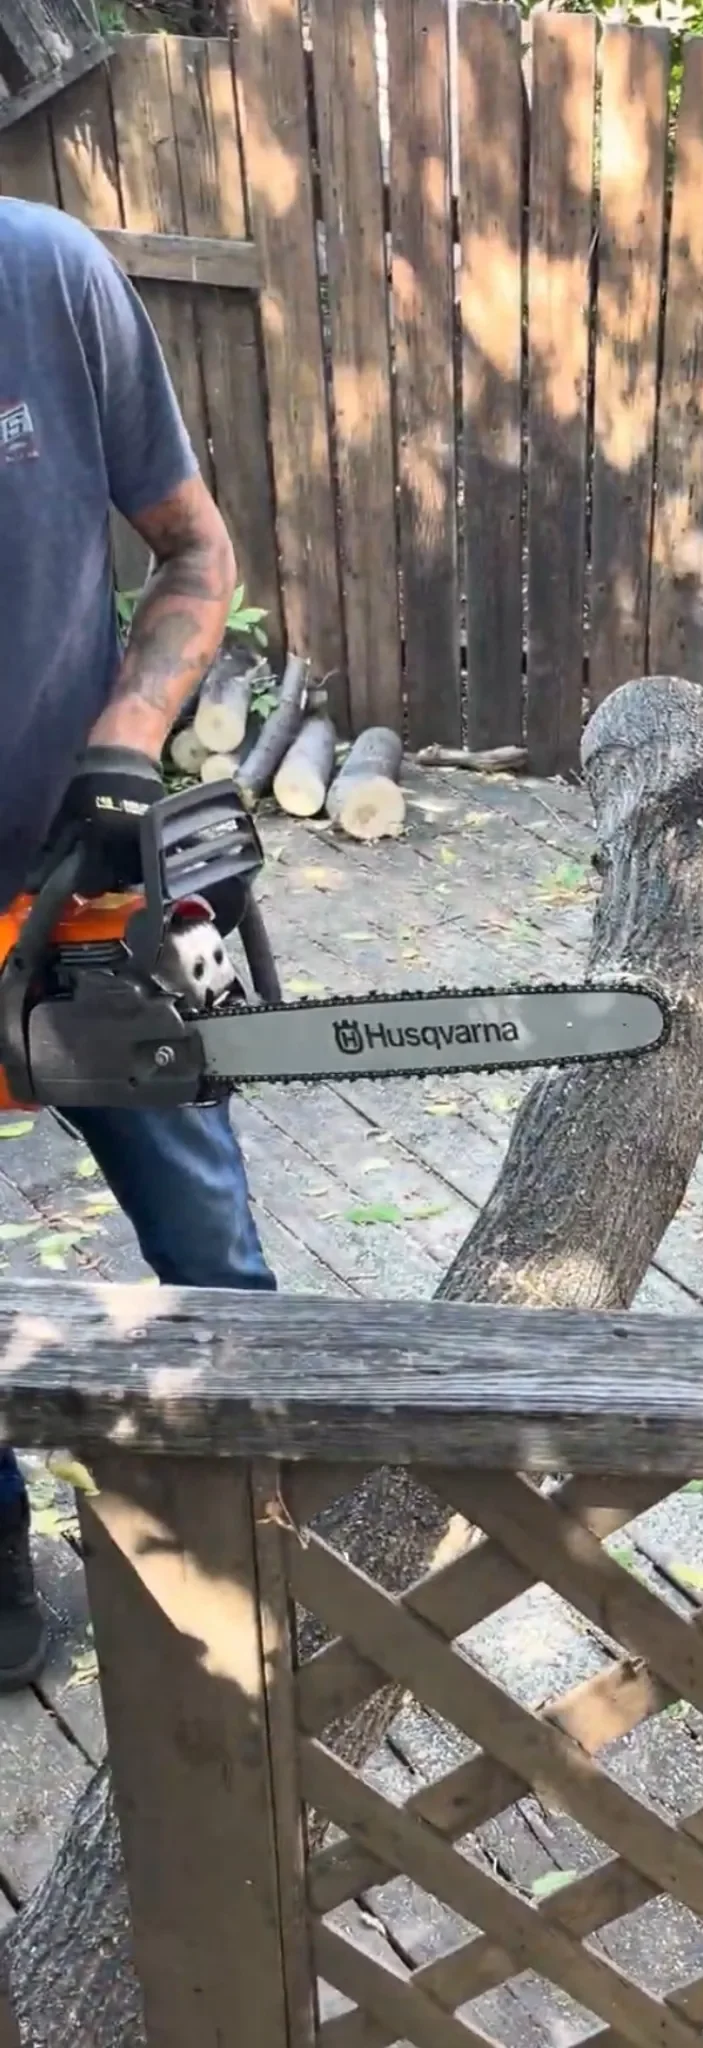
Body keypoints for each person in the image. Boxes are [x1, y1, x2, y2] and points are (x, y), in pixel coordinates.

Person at [0, 197, 277, 1690]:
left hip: (80, 874)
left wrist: (127, 739)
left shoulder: (44, 277)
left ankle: (265, 1506)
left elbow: (193, 552)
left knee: (209, 1247)